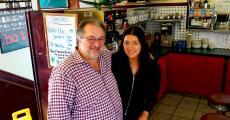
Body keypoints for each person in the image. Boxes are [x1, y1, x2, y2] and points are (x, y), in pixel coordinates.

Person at [47, 19, 123, 120]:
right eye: (91, 39)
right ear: (78, 39)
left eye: (101, 38)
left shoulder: (105, 55)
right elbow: (58, 117)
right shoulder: (64, 73)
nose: (97, 44)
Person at [112, 26, 161, 120]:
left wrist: (145, 113)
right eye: (126, 43)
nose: (130, 47)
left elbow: (153, 94)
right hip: (113, 114)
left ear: (141, 44)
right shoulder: (113, 61)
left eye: (135, 43)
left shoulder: (152, 67)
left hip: (137, 115)